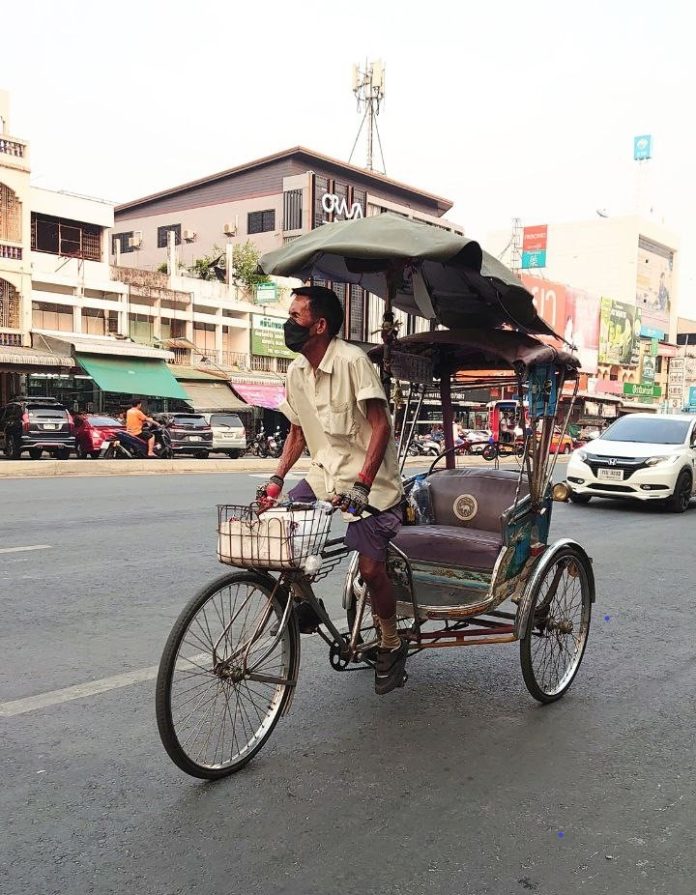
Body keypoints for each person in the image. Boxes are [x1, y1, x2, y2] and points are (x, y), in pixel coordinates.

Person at [258, 285, 407, 695]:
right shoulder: (296, 371)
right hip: (325, 472)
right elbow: (298, 431)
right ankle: (305, 606)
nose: (288, 324)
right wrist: (276, 479)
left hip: (370, 482)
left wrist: (362, 486)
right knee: (282, 535)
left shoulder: (352, 362)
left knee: (371, 568)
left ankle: (391, 643)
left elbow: (381, 426)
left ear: (320, 325)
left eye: (295, 317)